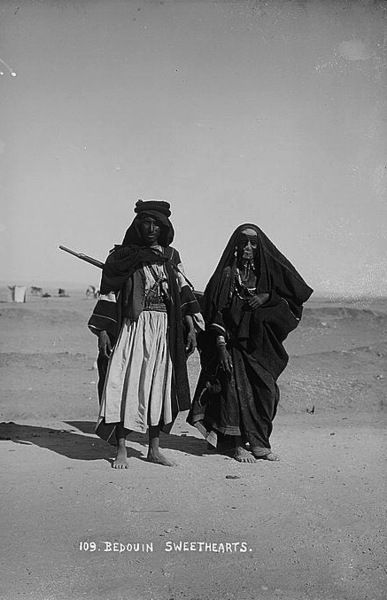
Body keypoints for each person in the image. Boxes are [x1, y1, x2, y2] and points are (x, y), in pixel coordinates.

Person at [88, 199, 203, 468]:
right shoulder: (122, 257)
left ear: (164, 228)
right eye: (146, 223)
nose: (151, 228)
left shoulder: (171, 256)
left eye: (156, 224)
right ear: (138, 225)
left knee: (158, 387)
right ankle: (121, 449)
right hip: (133, 326)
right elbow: (109, 293)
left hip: (164, 328)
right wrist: (103, 331)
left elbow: (184, 290)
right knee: (126, 384)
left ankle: (154, 449)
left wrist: (191, 327)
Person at [187, 223, 313, 463]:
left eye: (252, 243)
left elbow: (291, 299)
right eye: (243, 242)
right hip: (232, 345)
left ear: (259, 247)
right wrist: (221, 346)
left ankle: (259, 443)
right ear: (236, 245)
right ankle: (234, 445)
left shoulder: (266, 275)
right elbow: (217, 312)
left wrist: (266, 297)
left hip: (260, 346)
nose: (247, 247)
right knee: (231, 392)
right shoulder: (227, 274)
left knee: (267, 393)